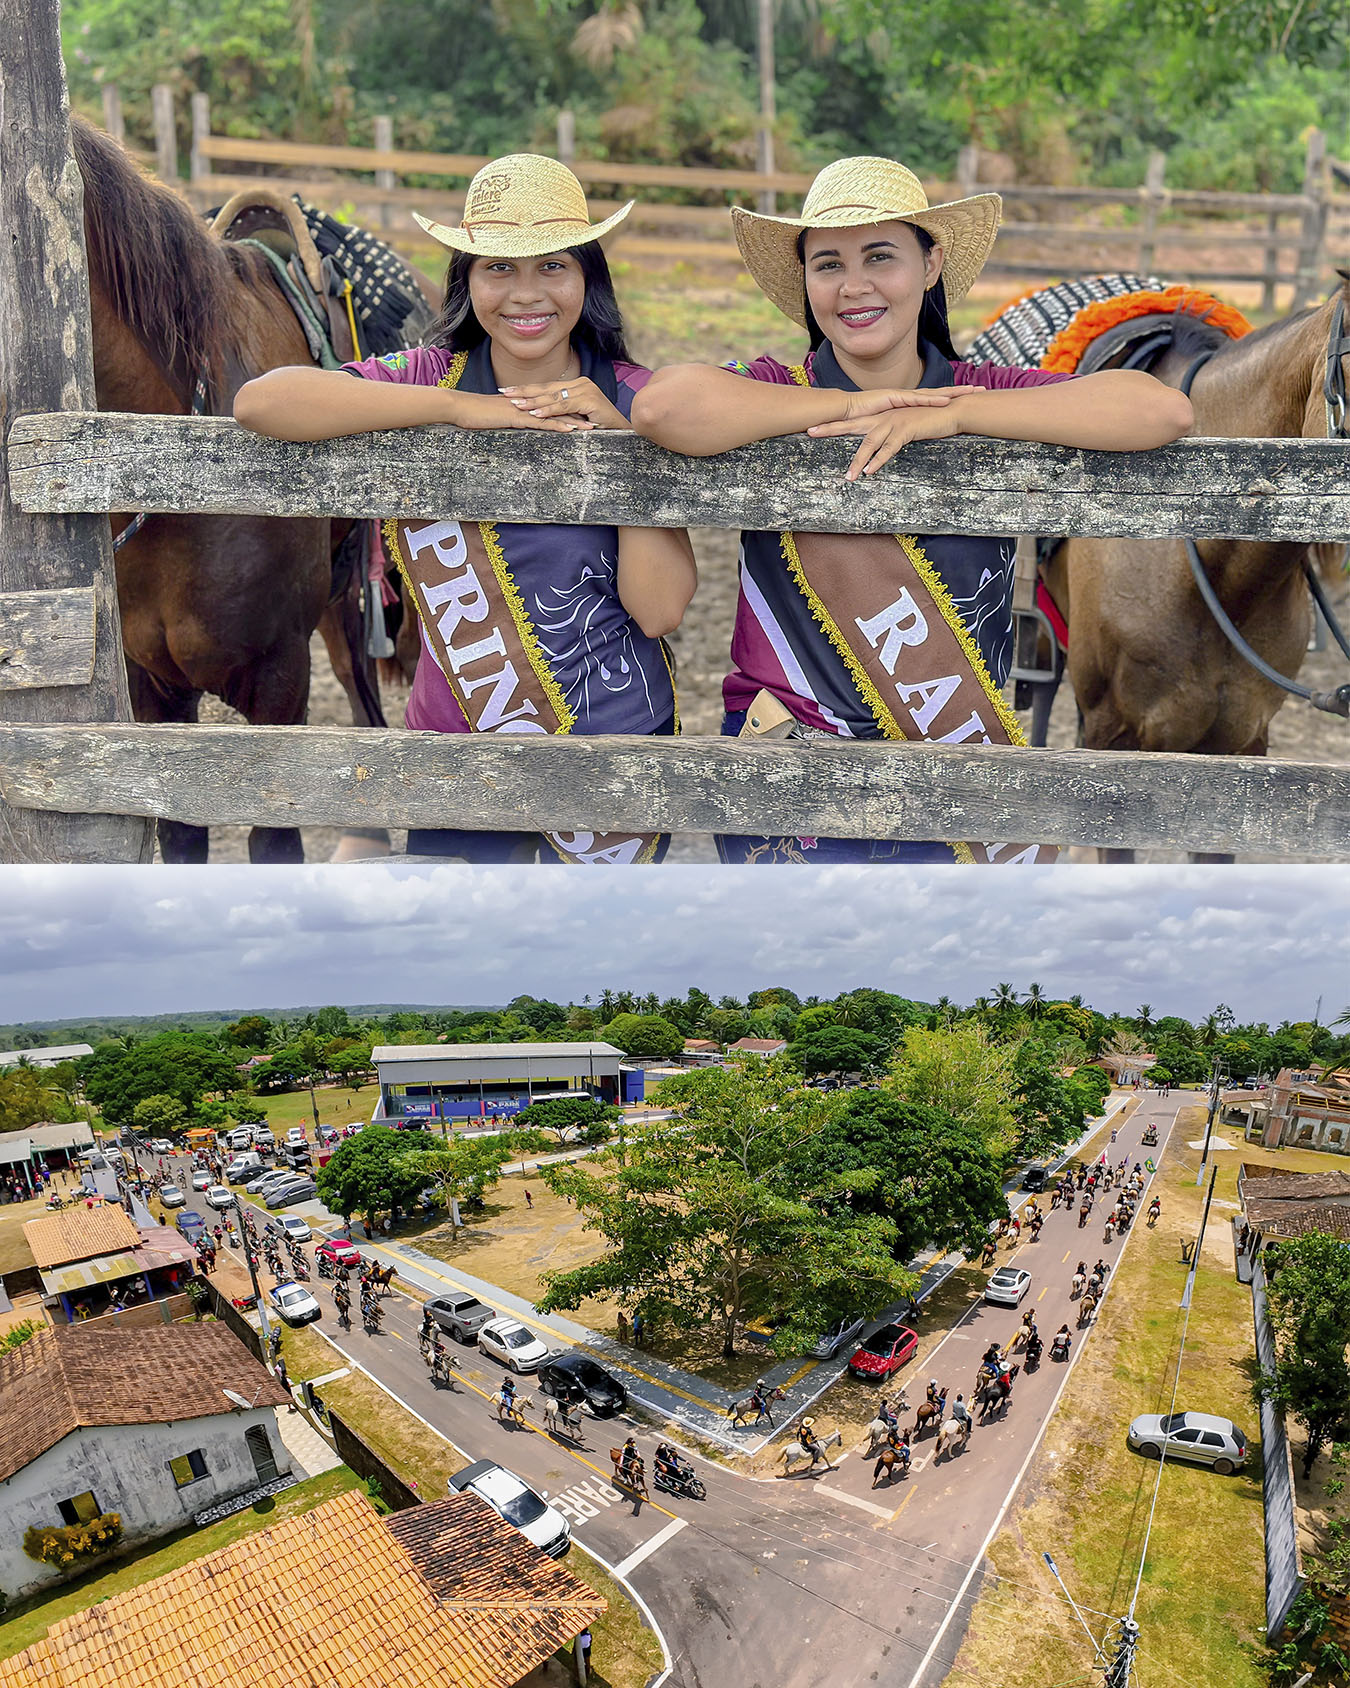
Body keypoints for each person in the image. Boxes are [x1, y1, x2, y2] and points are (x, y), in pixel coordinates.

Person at [631, 154, 1191, 863]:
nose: (854, 285)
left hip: (957, 768)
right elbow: (662, 405)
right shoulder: (775, 388)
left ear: (931, 266)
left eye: (881, 256)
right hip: (791, 767)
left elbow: (1160, 409)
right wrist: (853, 405)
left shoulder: (985, 388)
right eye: (827, 263)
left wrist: (957, 416)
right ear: (804, 281)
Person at [234, 154, 697, 865]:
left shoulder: (639, 398)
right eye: (498, 269)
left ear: (587, 278)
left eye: (553, 267)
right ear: (468, 280)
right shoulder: (427, 378)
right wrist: (461, 408)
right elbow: (261, 402)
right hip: (455, 758)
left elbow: (661, 611)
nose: (525, 294)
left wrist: (623, 447)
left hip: (610, 758)